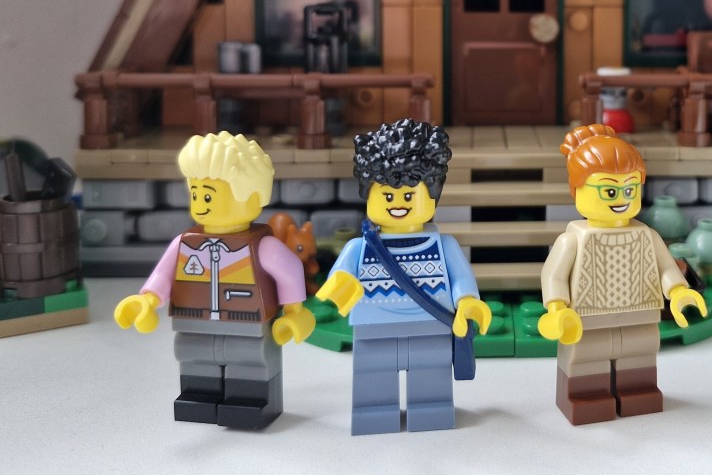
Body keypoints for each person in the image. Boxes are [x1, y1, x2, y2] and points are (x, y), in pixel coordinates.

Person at [114, 131, 313, 429]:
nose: (200, 203)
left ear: (252, 197)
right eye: (195, 194)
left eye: (208, 195)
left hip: (248, 324)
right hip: (194, 322)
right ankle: (199, 397)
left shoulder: (263, 246)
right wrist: (147, 300)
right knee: (193, 356)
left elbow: (290, 270)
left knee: (250, 360)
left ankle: (249, 401)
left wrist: (295, 312)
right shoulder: (185, 243)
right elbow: (164, 273)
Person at [317, 119, 491, 435]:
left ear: (432, 196)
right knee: (373, 375)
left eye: (409, 196)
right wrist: (341, 283)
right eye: (387, 195)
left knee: (431, 373)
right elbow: (340, 274)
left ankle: (432, 409)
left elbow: (461, 279)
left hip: (431, 326)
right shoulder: (361, 246)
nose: (398, 203)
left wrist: (467, 301)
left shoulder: (443, 245)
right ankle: (373, 412)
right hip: (373, 325)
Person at [539, 124, 706, 425]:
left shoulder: (647, 235)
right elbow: (554, 276)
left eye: (631, 189)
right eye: (609, 191)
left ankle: (638, 390)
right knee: (587, 356)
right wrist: (557, 307)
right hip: (588, 318)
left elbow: (666, 268)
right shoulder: (573, 239)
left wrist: (679, 291)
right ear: (577, 190)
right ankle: (585, 395)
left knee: (640, 352)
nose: (622, 198)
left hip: (640, 313)